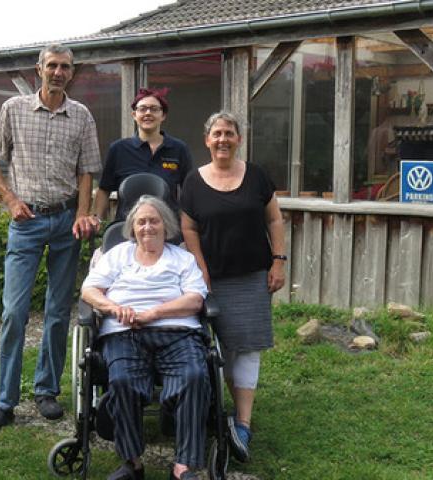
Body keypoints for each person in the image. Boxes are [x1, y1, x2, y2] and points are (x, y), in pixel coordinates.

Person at [0, 44, 102, 432]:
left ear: (72, 72)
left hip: (66, 221)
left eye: (65, 66)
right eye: (52, 65)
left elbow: (87, 171)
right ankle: (5, 401)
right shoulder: (14, 109)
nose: (58, 72)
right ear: (39, 69)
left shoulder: (81, 115)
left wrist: (82, 213)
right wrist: (9, 198)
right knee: (14, 312)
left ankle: (46, 390)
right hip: (27, 221)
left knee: (57, 311)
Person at [180, 111, 286, 463]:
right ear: (207, 140)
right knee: (222, 348)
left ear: (239, 139)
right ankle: (223, 409)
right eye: (217, 134)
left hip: (253, 275)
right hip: (213, 278)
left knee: (248, 347)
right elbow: (189, 228)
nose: (222, 139)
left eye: (229, 133)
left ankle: (242, 423)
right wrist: (200, 267)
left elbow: (274, 219)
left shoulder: (256, 176)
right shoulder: (193, 182)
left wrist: (278, 260)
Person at [81, 196, 210, 480]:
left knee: (194, 375)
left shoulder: (182, 258)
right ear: (132, 228)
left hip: (177, 331)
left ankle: (183, 466)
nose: (147, 227)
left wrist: (154, 313)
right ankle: (132, 463)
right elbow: (89, 290)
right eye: (141, 222)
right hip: (124, 332)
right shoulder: (117, 255)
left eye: (154, 221)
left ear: (166, 226)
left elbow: (195, 300)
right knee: (122, 381)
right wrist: (113, 308)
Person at [93, 87, 193, 223]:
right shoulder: (118, 149)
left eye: (154, 109)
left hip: (167, 227)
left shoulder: (178, 149)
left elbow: (189, 192)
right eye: (142, 109)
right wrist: (98, 221)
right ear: (134, 115)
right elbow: (104, 190)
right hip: (127, 227)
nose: (148, 113)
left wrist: (187, 227)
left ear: (163, 115)